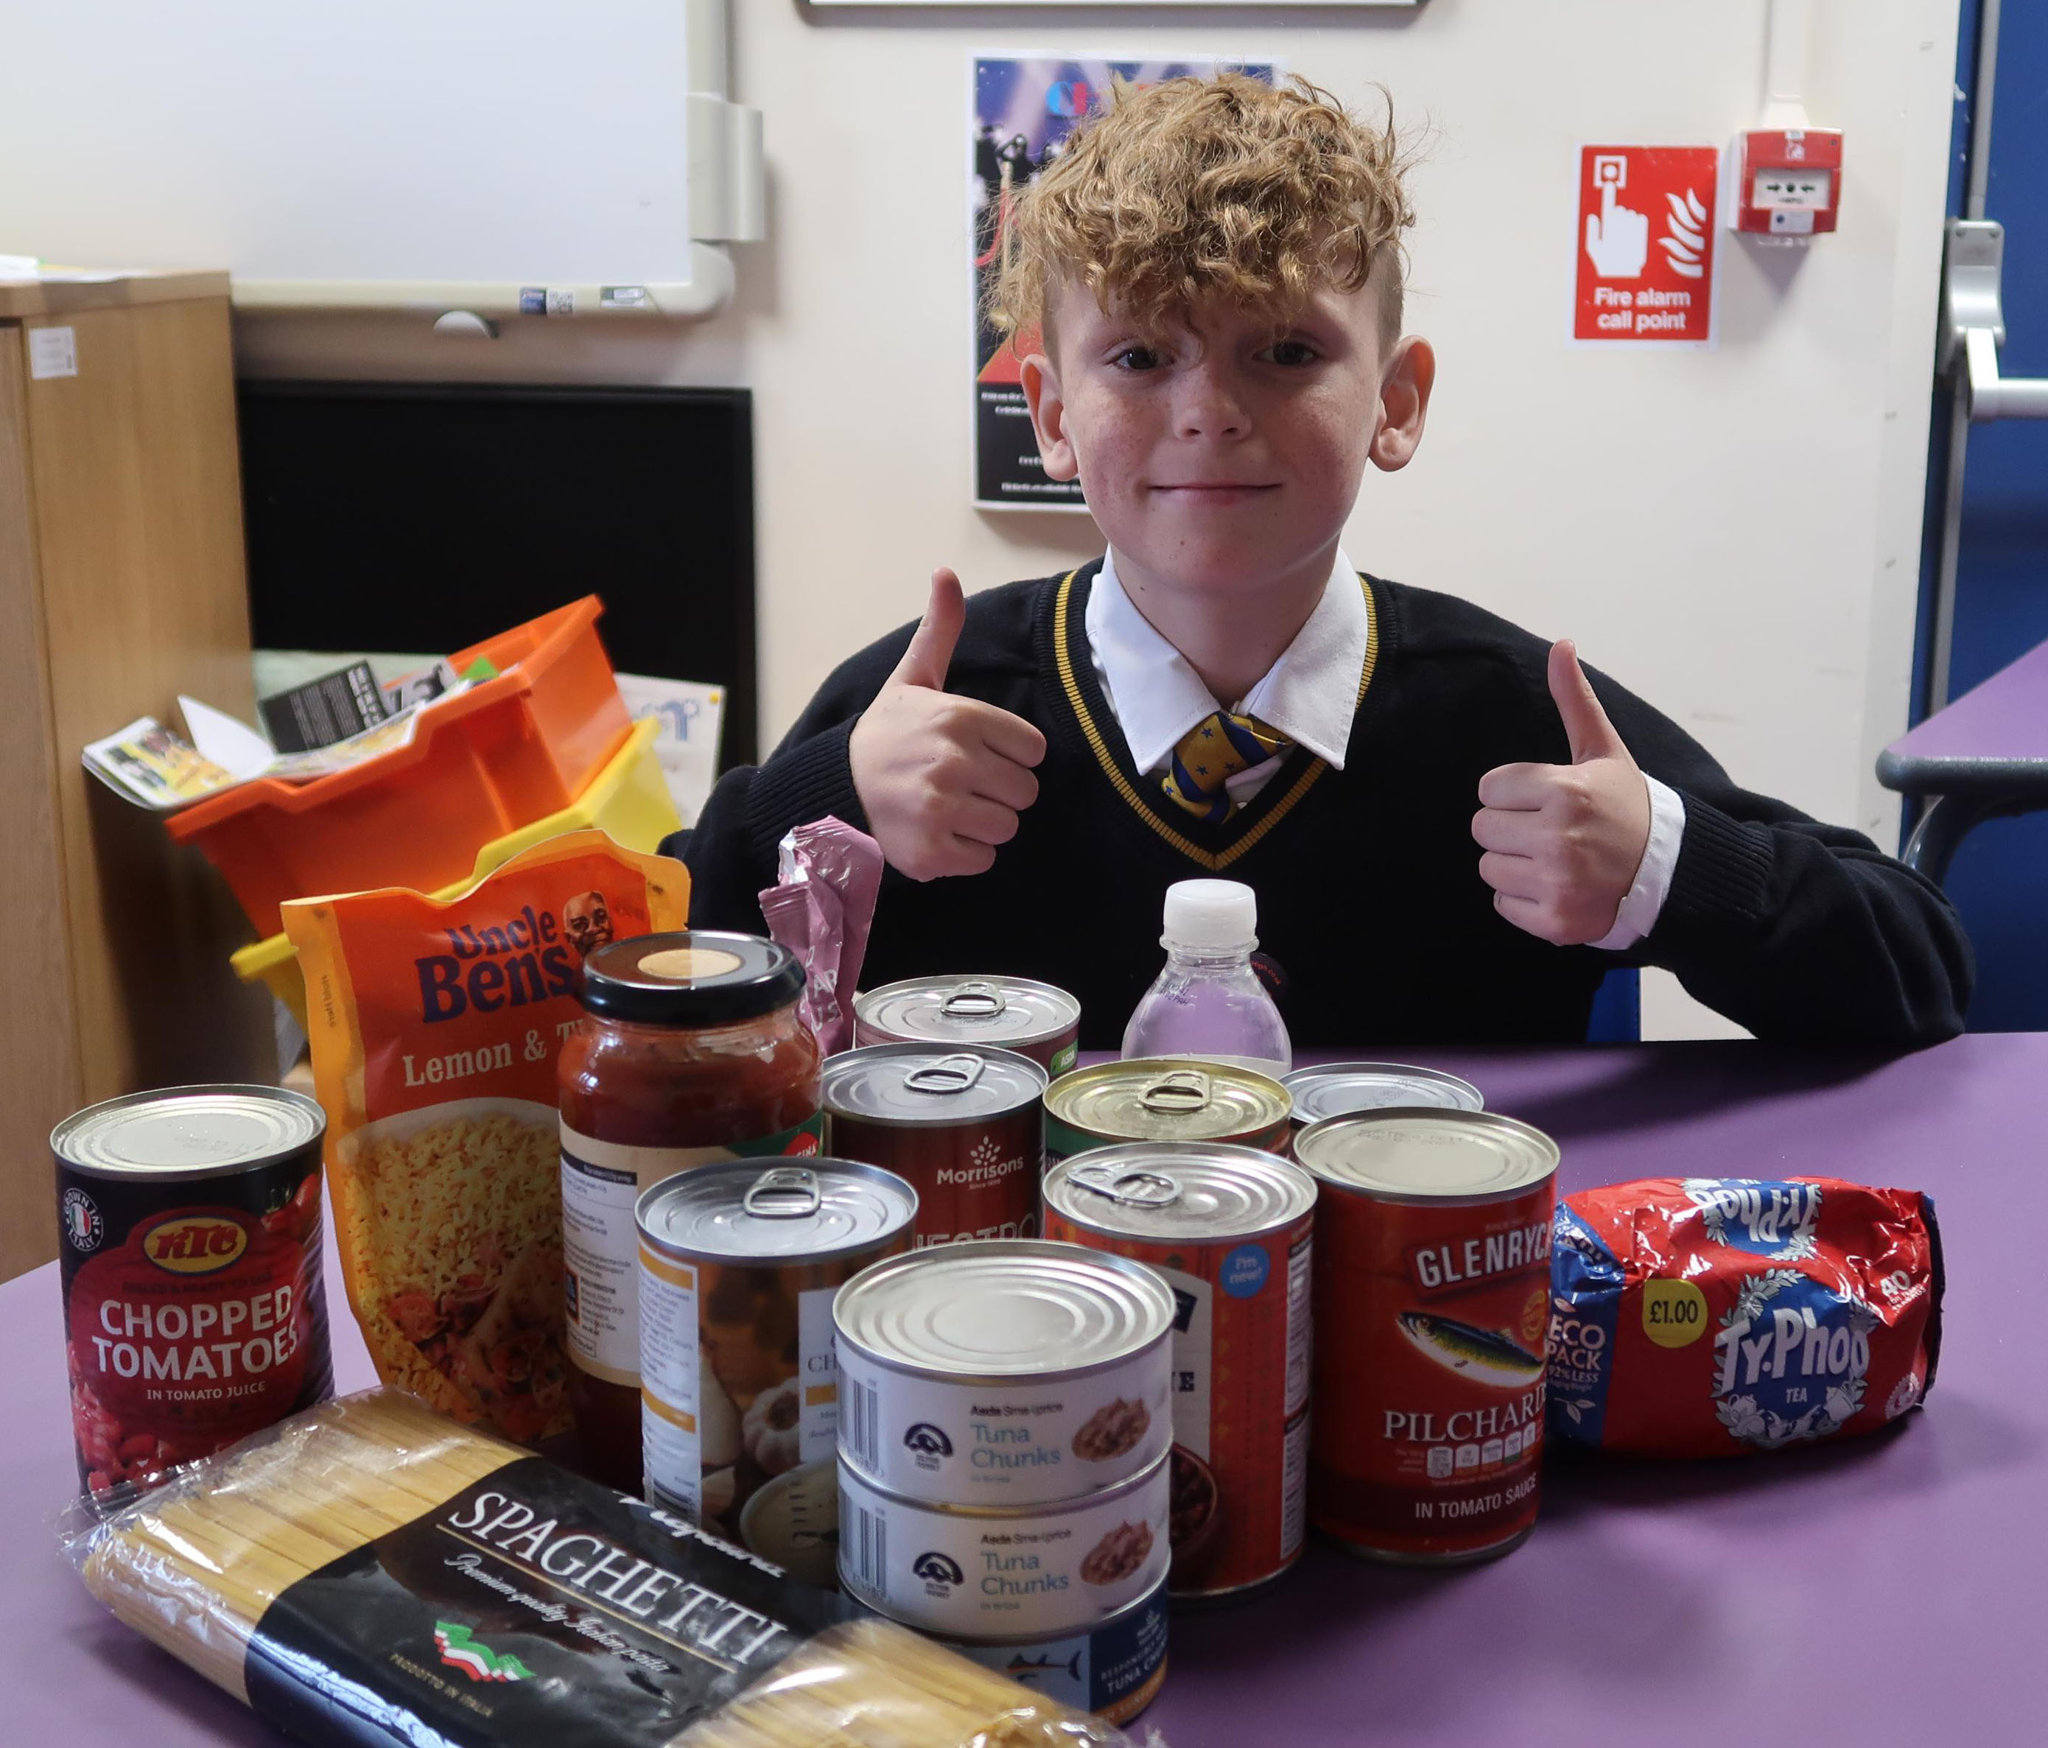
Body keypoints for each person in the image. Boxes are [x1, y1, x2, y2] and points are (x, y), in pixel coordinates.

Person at [670, 74, 1970, 1049]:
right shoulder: (924, 718)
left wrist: (1670, 876)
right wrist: (824, 805)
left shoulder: (1514, 719)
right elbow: (651, 944)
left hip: (1437, 1362)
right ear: (1051, 413)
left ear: (1397, 402)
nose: (1208, 410)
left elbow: (1921, 970)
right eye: (1138, 356)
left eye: (1285, 352)